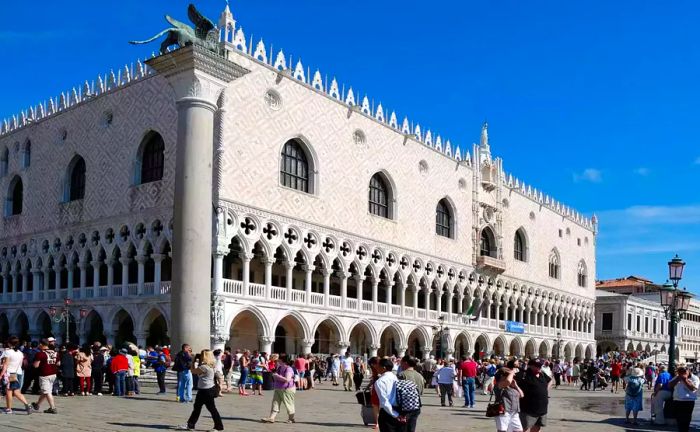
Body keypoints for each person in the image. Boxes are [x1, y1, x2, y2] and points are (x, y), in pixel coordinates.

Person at [176, 350, 224, 431]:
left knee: (211, 409)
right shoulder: (211, 365)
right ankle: (190, 425)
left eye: (202, 355)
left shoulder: (204, 367)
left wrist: (193, 360)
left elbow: (193, 371)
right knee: (197, 408)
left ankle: (219, 427)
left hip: (206, 390)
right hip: (205, 389)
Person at [515, 359, 551, 432]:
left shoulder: (542, 374)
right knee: (523, 428)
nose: (539, 367)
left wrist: (546, 389)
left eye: (540, 366)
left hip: (542, 409)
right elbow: (511, 382)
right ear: (530, 366)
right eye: (536, 366)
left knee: (537, 428)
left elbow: (550, 380)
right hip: (528, 409)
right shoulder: (523, 375)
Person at [261, 353, 297, 424]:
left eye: (278, 359)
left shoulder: (288, 369)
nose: (277, 361)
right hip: (278, 388)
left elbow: (287, 379)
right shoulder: (280, 367)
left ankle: (291, 418)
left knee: (289, 404)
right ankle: (271, 418)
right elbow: (275, 375)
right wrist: (275, 376)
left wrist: (277, 376)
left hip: (287, 389)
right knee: (275, 403)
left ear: (281, 360)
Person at [0, 336, 32, 414]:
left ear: (9, 343)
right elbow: (20, 364)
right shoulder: (20, 353)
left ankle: (9, 409)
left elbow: (5, 365)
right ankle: (27, 405)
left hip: (8, 374)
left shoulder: (7, 352)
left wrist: (1, 374)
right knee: (17, 392)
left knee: (8, 391)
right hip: (15, 374)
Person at [373, 357, 405, 432]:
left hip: (388, 413)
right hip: (400, 409)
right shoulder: (396, 378)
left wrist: (395, 415)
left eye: (378, 366)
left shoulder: (380, 381)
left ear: (383, 368)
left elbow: (384, 401)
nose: (376, 368)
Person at [30, 339, 59, 414]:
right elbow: (58, 363)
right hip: (53, 374)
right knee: (46, 390)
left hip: (44, 374)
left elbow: (36, 365)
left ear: (41, 344)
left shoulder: (40, 354)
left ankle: (53, 408)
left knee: (47, 391)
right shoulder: (55, 353)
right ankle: (37, 404)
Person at [669, 366, 699, 432]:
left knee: (686, 419)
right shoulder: (677, 377)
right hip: (677, 400)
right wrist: (677, 379)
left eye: (683, 372)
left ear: (688, 371)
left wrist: (685, 380)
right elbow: (670, 385)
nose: (681, 374)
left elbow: (693, 388)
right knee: (678, 419)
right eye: (680, 372)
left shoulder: (694, 378)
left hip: (688, 401)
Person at [493, 368, 524, 432]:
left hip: (514, 412)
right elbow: (507, 381)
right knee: (502, 430)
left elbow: (521, 395)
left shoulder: (511, 386)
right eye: (508, 375)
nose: (512, 377)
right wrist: (512, 372)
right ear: (502, 376)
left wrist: (516, 386)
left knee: (519, 430)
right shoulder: (499, 385)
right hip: (503, 411)